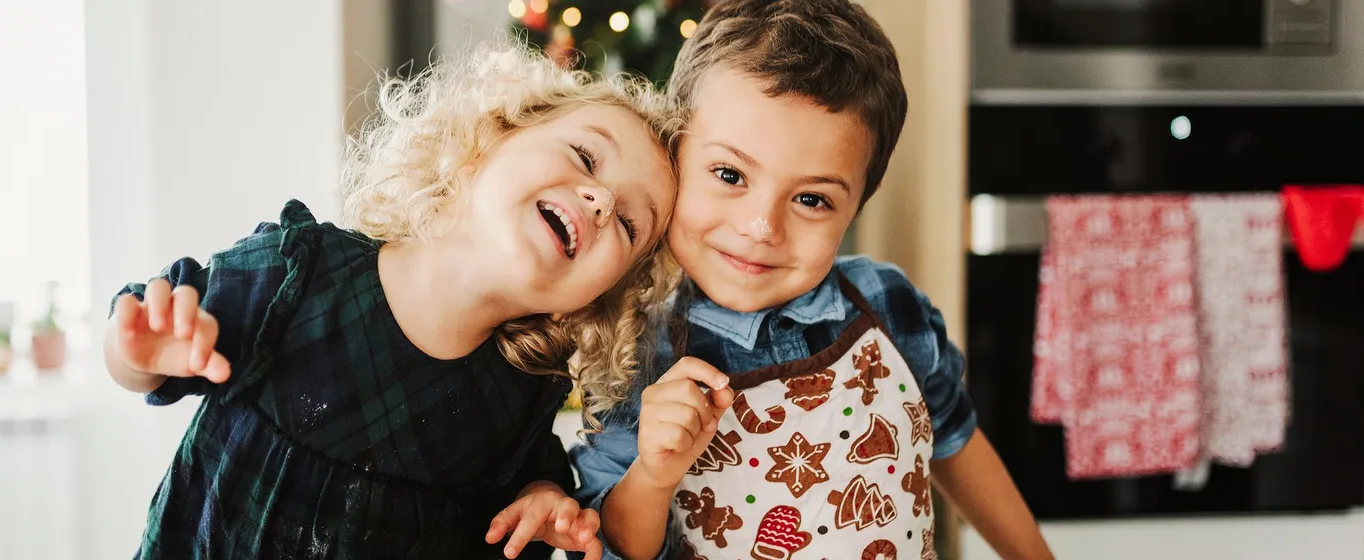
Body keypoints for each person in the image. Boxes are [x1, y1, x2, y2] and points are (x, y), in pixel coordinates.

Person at [104, 43, 680, 559]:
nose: (601, 199)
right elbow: (146, 354)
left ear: (595, 298)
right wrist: (138, 354)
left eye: (630, 225)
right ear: (490, 136)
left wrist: (542, 500)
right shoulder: (298, 272)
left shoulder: (524, 388)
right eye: (585, 156)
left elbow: (531, 486)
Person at [570, 1, 1055, 558]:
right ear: (676, 155)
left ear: (855, 207)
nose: (761, 227)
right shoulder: (634, 353)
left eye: (811, 199)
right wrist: (652, 476)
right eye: (730, 174)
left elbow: (954, 440)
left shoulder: (886, 304)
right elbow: (609, 541)